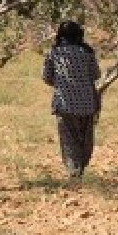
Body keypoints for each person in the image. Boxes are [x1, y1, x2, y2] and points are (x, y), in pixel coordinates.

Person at [42, 21, 101, 178]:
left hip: (65, 104)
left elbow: (46, 77)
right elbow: (96, 75)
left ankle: (74, 171)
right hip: (87, 103)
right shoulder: (87, 52)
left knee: (69, 139)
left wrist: (61, 83)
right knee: (85, 138)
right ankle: (81, 167)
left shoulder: (54, 53)